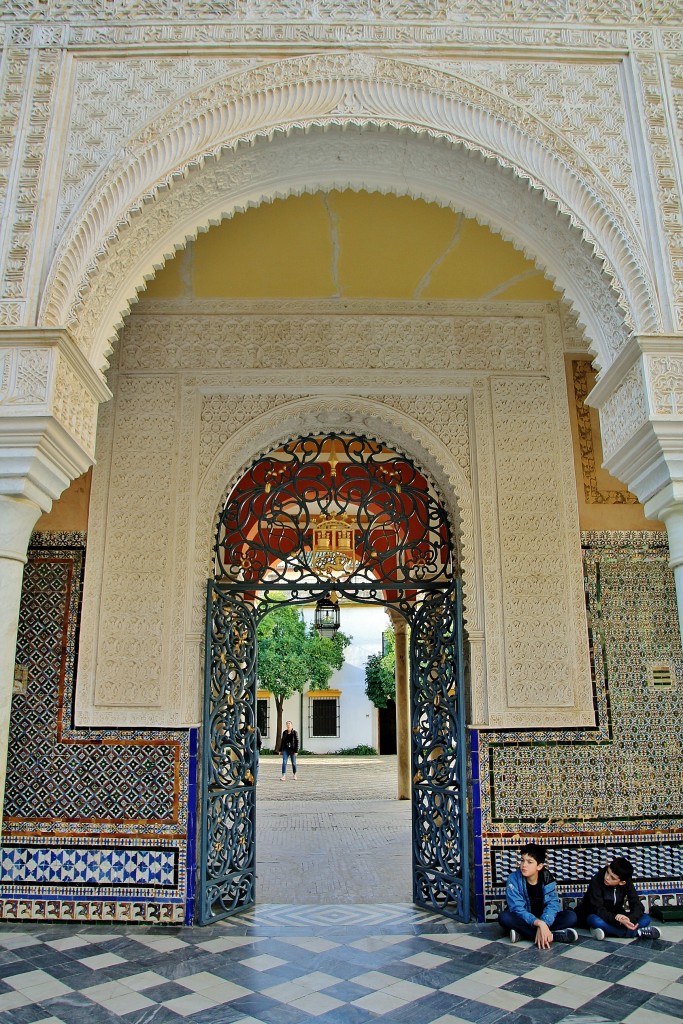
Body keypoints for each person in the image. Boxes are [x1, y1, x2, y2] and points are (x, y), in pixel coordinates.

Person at [499, 842, 578, 947]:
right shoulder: (513, 879)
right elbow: (517, 908)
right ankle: (553, 936)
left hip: (544, 917)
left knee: (571, 917)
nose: (524, 865)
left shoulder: (547, 878)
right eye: (522, 860)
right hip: (525, 919)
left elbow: (553, 904)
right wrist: (538, 923)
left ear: (539, 866)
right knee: (504, 917)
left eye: (529, 862)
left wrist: (544, 922)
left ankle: (523, 934)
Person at [577, 857, 661, 940]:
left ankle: (607, 930)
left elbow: (636, 904)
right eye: (607, 872)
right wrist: (617, 919)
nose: (607, 877)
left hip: (617, 915)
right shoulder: (596, 880)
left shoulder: (627, 882)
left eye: (612, 878)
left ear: (622, 882)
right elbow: (597, 909)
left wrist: (628, 919)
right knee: (596, 921)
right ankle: (637, 933)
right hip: (597, 915)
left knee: (646, 918)